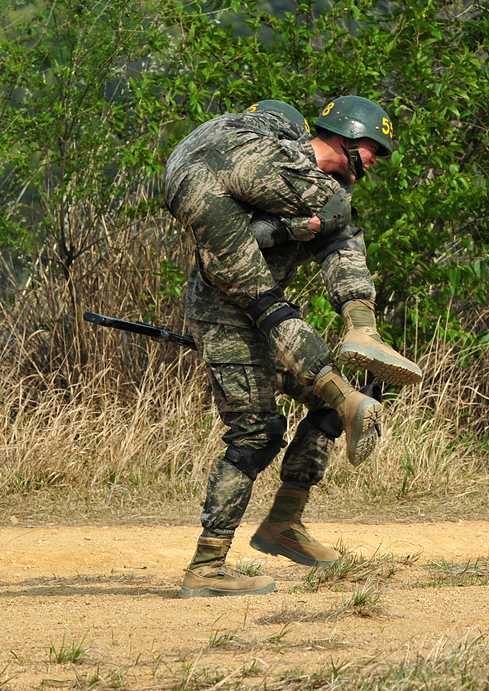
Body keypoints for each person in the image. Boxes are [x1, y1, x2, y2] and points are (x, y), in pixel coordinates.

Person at [163, 95, 422, 598]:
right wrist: (302, 225)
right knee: (256, 434)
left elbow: (336, 240)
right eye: (373, 146)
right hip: (227, 315)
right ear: (345, 134)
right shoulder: (269, 170)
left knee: (343, 403)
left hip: (270, 319)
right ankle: (207, 566)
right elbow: (234, 243)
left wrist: (321, 233)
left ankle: (283, 523)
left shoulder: (321, 195)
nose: (375, 159)